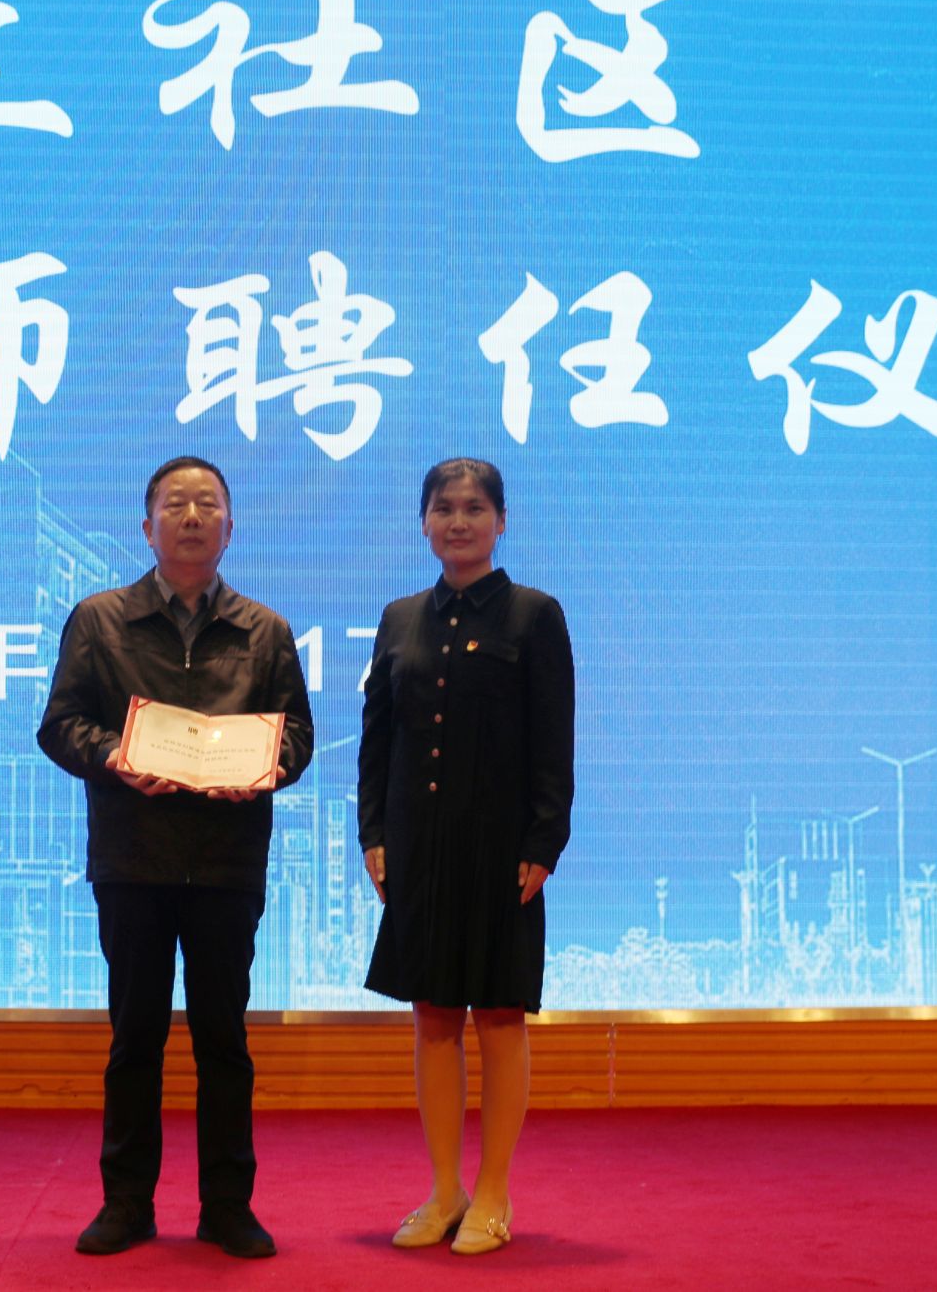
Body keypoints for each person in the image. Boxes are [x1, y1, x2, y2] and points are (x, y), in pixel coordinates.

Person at [38, 456, 314, 1260]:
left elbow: (296, 735)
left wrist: (263, 767)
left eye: (207, 504)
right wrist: (118, 756)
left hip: (227, 861)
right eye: (175, 504)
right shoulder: (100, 619)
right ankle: (126, 1202)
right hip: (134, 857)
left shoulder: (265, 630)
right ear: (147, 525)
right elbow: (60, 724)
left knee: (225, 1040)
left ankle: (228, 1206)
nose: (192, 516)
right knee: (136, 1037)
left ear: (230, 526)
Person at [358, 457, 575, 1256]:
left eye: (475, 507)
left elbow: (553, 742)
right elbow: (378, 741)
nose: (458, 520)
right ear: (423, 522)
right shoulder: (399, 618)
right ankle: (444, 1187)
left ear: (501, 521)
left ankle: (494, 1191)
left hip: (501, 850)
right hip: (418, 846)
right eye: (443, 508)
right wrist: (374, 833)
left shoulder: (534, 615)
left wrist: (544, 840)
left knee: (500, 1016)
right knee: (433, 1017)